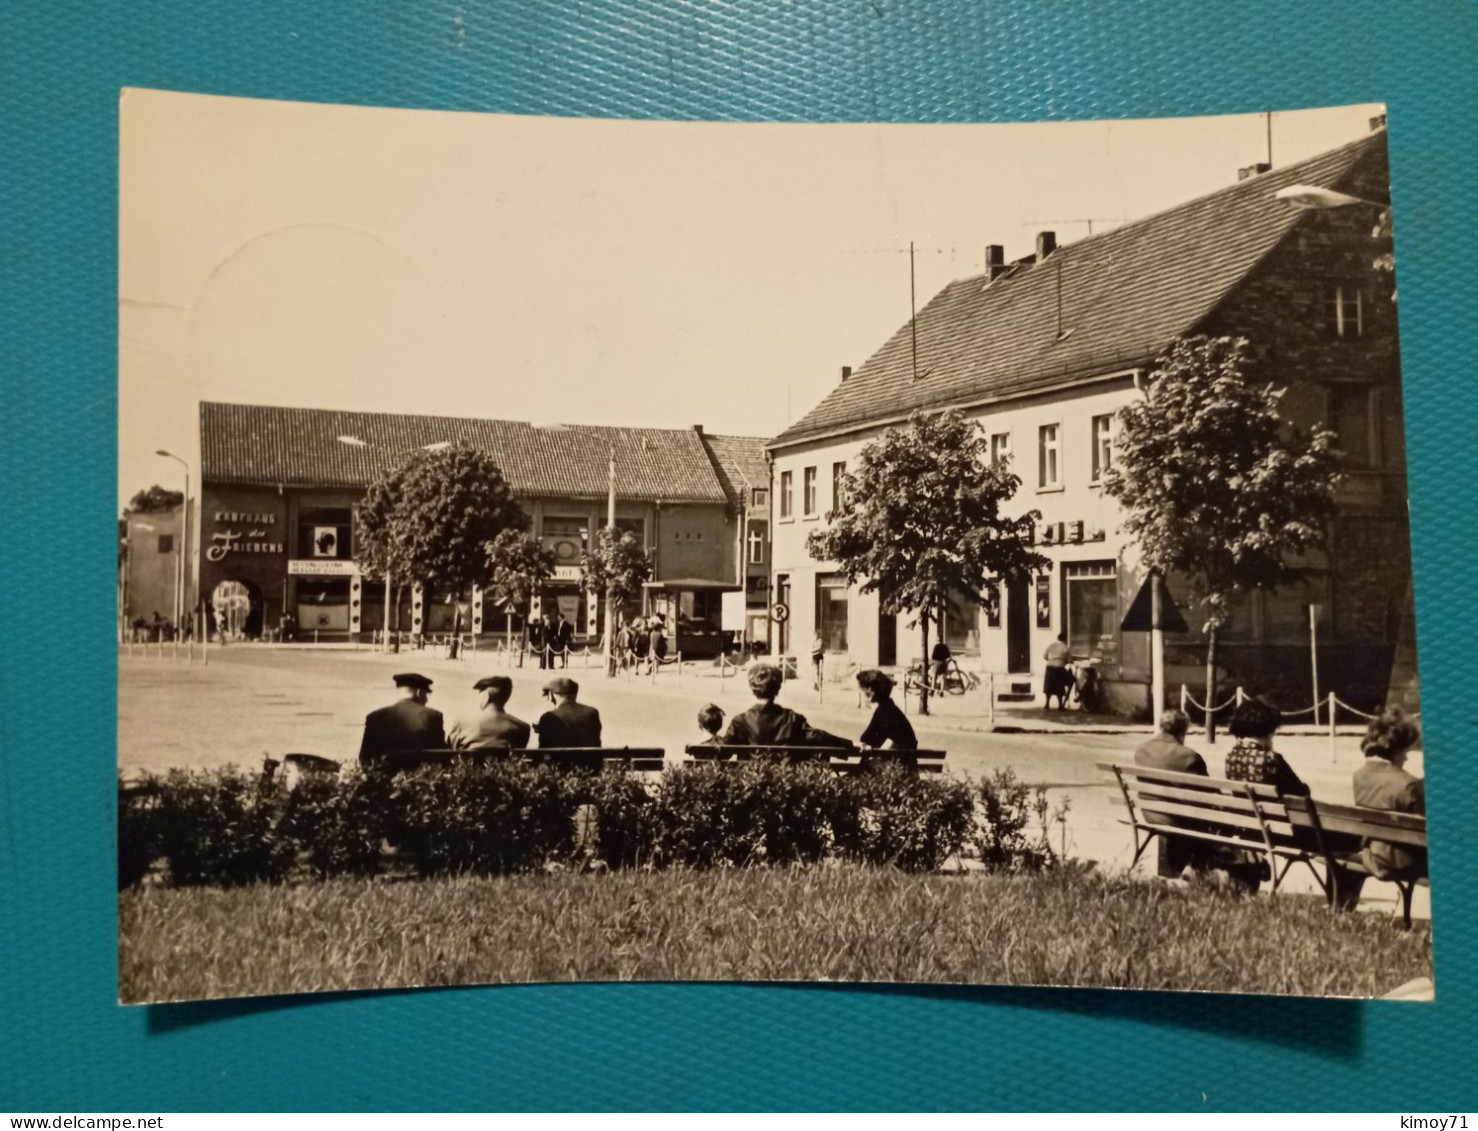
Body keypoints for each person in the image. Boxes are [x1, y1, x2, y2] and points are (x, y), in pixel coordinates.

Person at [1221, 698, 1308, 891]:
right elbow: (1300, 793)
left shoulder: (1231, 757)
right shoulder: (1271, 759)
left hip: (1248, 826)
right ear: (1268, 728)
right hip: (1278, 831)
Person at [1134, 709, 1211, 878]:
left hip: (1150, 813)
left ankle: (1173, 872)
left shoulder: (1142, 750)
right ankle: (1196, 869)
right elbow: (1209, 794)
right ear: (1184, 730)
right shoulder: (1189, 756)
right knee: (1214, 822)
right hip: (1177, 818)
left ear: (1162, 727)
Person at [1353, 707, 1426, 884]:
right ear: (1395, 750)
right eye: (1405, 752)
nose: (1406, 758)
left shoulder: (1359, 776)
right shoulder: (1408, 784)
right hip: (1405, 860)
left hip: (1374, 855)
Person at [720, 663, 855, 758]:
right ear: (778, 688)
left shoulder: (740, 721)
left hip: (752, 784)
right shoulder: (792, 718)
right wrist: (849, 744)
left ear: (752, 688)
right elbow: (818, 736)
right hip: (785, 781)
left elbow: (723, 750)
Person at [358, 672, 447, 771]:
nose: (426, 700)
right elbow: (440, 755)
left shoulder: (373, 717)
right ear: (419, 692)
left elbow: (364, 758)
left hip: (383, 780)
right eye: (426, 694)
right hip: (418, 780)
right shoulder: (433, 716)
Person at [446, 675, 531, 752]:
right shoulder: (522, 728)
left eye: (480, 694)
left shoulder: (462, 723)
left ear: (486, 696)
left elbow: (451, 751)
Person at [856, 669, 917, 770]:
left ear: (870, 691)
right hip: (894, 770)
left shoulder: (886, 712)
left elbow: (892, 741)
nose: (860, 694)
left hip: (886, 774)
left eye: (861, 691)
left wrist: (872, 762)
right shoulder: (889, 709)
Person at [535, 676, 603, 748]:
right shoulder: (592, 712)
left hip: (561, 759)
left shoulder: (548, 717)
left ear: (551, 695)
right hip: (589, 759)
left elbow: (543, 749)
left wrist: (543, 729)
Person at [1043, 633, 1074, 710]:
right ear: (1064, 639)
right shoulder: (1066, 647)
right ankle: (1060, 705)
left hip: (1050, 667)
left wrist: (1051, 660)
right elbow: (1069, 660)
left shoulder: (1051, 645)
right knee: (1059, 686)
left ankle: (1047, 703)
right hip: (1059, 668)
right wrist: (1063, 662)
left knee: (1049, 686)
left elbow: (1044, 656)